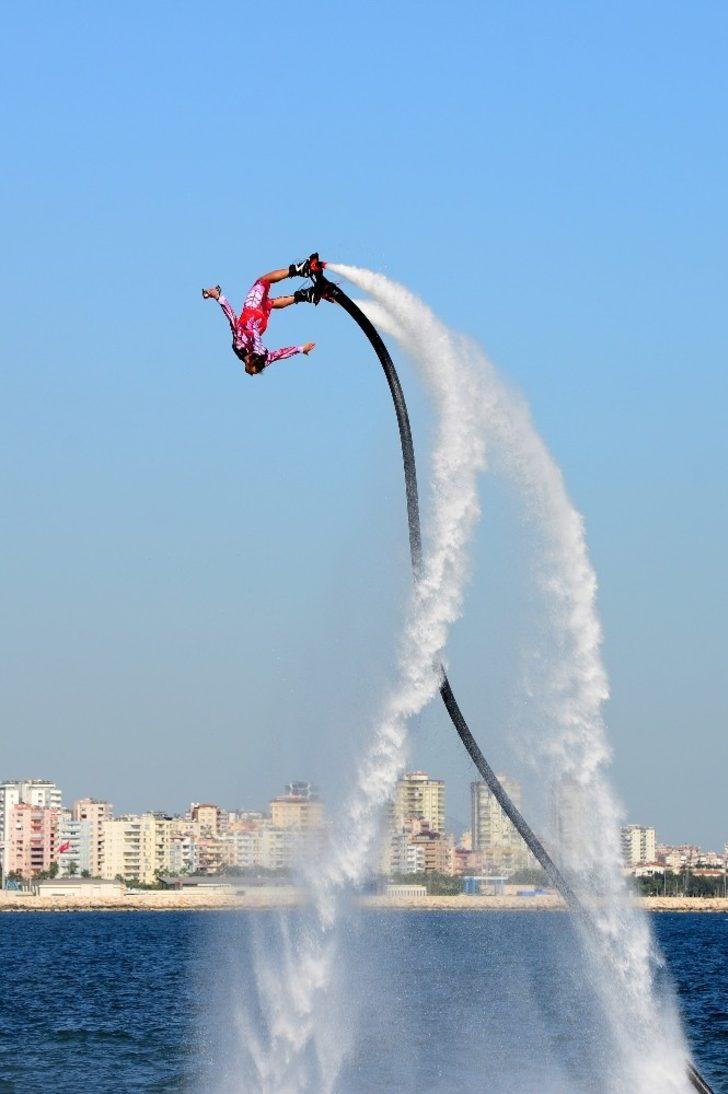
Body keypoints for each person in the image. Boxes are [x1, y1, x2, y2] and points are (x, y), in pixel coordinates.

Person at [202, 255, 326, 376]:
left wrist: (301, 349)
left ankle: (306, 295)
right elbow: (231, 318)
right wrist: (218, 297)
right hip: (252, 312)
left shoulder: (263, 359)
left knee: (269, 303)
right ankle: (300, 269)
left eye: (253, 372)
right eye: (253, 371)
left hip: (261, 324)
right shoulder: (241, 345)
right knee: (263, 281)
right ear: (250, 359)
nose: (252, 374)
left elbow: (279, 354)